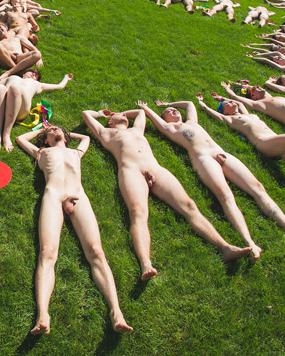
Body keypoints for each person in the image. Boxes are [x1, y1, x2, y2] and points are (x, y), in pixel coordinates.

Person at [82, 108, 253, 279]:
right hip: (131, 172)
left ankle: (225, 248)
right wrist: (101, 114)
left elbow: (141, 113)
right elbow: (85, 114)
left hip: (156, 168)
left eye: (126, 115)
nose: (125, 115)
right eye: (120, 115)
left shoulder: (137, 129)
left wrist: (123, 112)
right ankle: (145, 263)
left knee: (189, 206)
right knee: (138, 213)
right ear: (110, 122)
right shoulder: (106, 133)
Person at [140, 100, 285, 260]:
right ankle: (249, 242)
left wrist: (167, 104)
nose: (174, 111)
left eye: (175, 110)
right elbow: (158, 121)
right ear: (165, 119)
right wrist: (148, 109)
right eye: (169, 113)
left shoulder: (191, 122)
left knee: (258, 188)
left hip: (222, 153)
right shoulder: (170, 129)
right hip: (203, 158)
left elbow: (189, 104)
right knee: (225, 195)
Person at [16, 125, 132, 336]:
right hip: (53, 196)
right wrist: (40, 131)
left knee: (96, 252)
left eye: (57, 128)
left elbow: (86, 137)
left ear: (67, 138)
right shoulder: (42, 152)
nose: (54, 129)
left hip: (78, 195)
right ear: (45, 140)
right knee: (47, 253)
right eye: (50, 130)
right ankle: (43, 315)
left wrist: (66, 133)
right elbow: (20, 138)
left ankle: (116, 312)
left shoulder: (76, 152)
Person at [0, 69, 71, 152]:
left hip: (19, 109)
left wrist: (65, 78)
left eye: (36, 74)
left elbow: (59, 86)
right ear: (24, 72)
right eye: (31, 71)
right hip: (1, 105)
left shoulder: (37, 84)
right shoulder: (12, 77)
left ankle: (6, 134)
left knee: (15, 88)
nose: (33, 74)